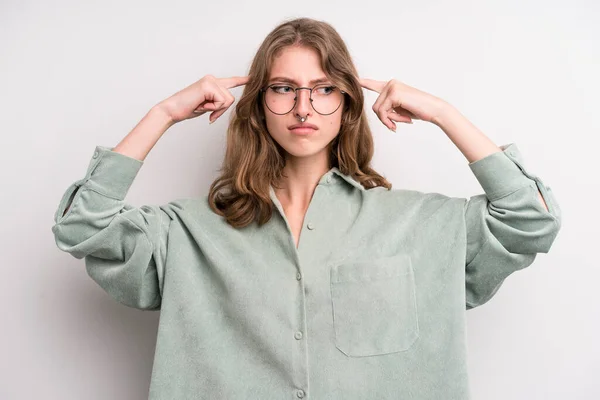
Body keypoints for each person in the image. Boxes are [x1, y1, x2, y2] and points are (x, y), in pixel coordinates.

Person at [52, 17, 562, 400]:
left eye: (324, 90)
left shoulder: (421, 225)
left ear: (347, 103)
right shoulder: (186, 233)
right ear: (257, 103)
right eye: (283, 89)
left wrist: (443, 113)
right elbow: (82, 225)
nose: (303, 108)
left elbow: (530, 219)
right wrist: (161, 114)